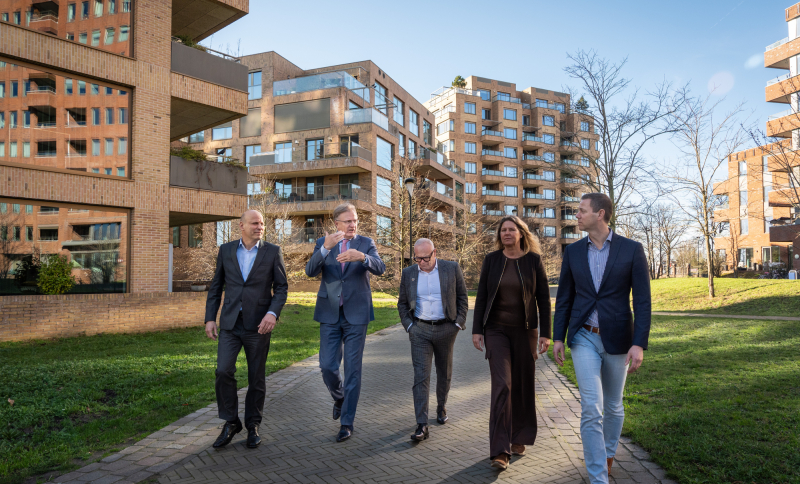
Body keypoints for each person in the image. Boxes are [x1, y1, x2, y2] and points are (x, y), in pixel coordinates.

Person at [552, 193, 651, 484]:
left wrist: (639, 343)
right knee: (591, 407)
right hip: (583, 337)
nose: (577, 216)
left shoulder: (632, 250)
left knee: (613, 406)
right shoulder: (573, 252)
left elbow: (642, 302)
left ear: (601, 214)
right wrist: (559, 337)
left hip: (619, 338)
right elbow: (565, 298)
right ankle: (598, 478)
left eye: (582, 211)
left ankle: (608, 455)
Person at [472, 216, 551, 470]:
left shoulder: (533, 261)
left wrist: (545, 334)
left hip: (525, 331)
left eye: (511, 230)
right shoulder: (492, 260)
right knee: (502, 385)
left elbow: (544, 300)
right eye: (503, 230)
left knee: (521, 386)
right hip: (496, 331)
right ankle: (500, 450)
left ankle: (520, 437)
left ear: (521, 234)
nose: (506, 233)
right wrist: (477, 330)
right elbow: (482, 297)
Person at [204, 210, 289, 449]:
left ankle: (253, 425)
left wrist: (272, 313)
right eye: (255, 223)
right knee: (223, 371)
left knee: (256, 378)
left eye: (262, 223)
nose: (259, 227)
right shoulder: (227, 250)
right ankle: (231, 422)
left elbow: (281, 288)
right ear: (241, 226)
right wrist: (210, 318)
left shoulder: (272, 252)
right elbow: (216, 287)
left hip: (259, 325)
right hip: (230, 324)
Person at [305, 203, 386, 442]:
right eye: (348, 221)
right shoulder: (323, 243)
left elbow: (380, 267)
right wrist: (324, 250)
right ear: (336, 224)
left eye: (355, 221)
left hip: (356, 315)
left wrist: (362, 257)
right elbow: (310, 271)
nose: (353, 225)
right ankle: (339, 397)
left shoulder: (366, 243)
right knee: (327, 366)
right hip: (329, 313)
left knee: (353, 370)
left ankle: (347, 422)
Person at [397, 238, 469, 442]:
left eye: (425, 258)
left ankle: (441, 407)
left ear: (434, 253)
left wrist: (458, 323)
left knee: (444, 373)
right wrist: (409, 326)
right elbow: (402, 303)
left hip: (446, 328)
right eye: (417, 258)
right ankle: (422, 424)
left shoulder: (451, 268)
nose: (421, 262)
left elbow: (463, 298)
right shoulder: (408, 273)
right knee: (421, 377)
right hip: (419, 330)